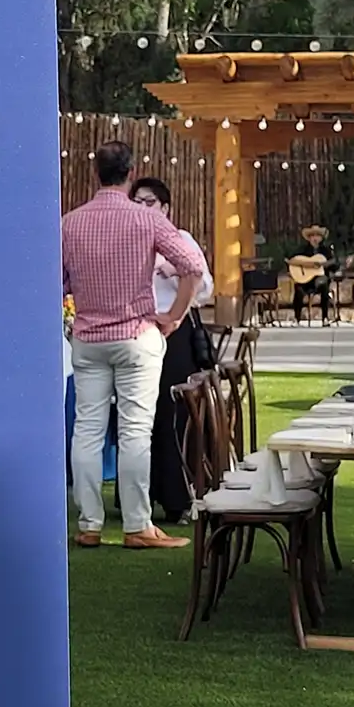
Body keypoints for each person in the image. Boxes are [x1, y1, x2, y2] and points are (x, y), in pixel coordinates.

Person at [63, 141, 206, 549]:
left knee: (87, 431)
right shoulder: (146, 220)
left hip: (89, 339)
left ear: (97, 174)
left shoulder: (70, 223)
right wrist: (176, 315)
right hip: (135, 335)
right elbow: (192, 266)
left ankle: (89, 523)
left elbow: (54, 280)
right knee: (135, 432)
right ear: (130, 174)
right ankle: (137, 524)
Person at [129, 176, 215, 524]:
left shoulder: (181, 241)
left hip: (174, 333)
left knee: (175, 414)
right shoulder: (127, 240)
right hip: (138, 331)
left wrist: (175, 272)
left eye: (149, 202)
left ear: (165, 208)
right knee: (140, 416)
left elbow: (206, 287)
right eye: (136, 201)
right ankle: (142, 494)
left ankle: (181, 496)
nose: (142, 208)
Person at [289, 225, 337, 323]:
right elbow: (291, 261)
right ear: (309, 238)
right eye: (313, 236)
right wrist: (307, 265)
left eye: (317, 236)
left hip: (321, 282)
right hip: (305, 281)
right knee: (298, 288)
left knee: (324, 283)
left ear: (321, 238)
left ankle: (325, 318)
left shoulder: (326, 251)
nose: (315, 238)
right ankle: (296, 318)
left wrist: (332, 264)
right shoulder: (302, 250)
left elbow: (334, 267)